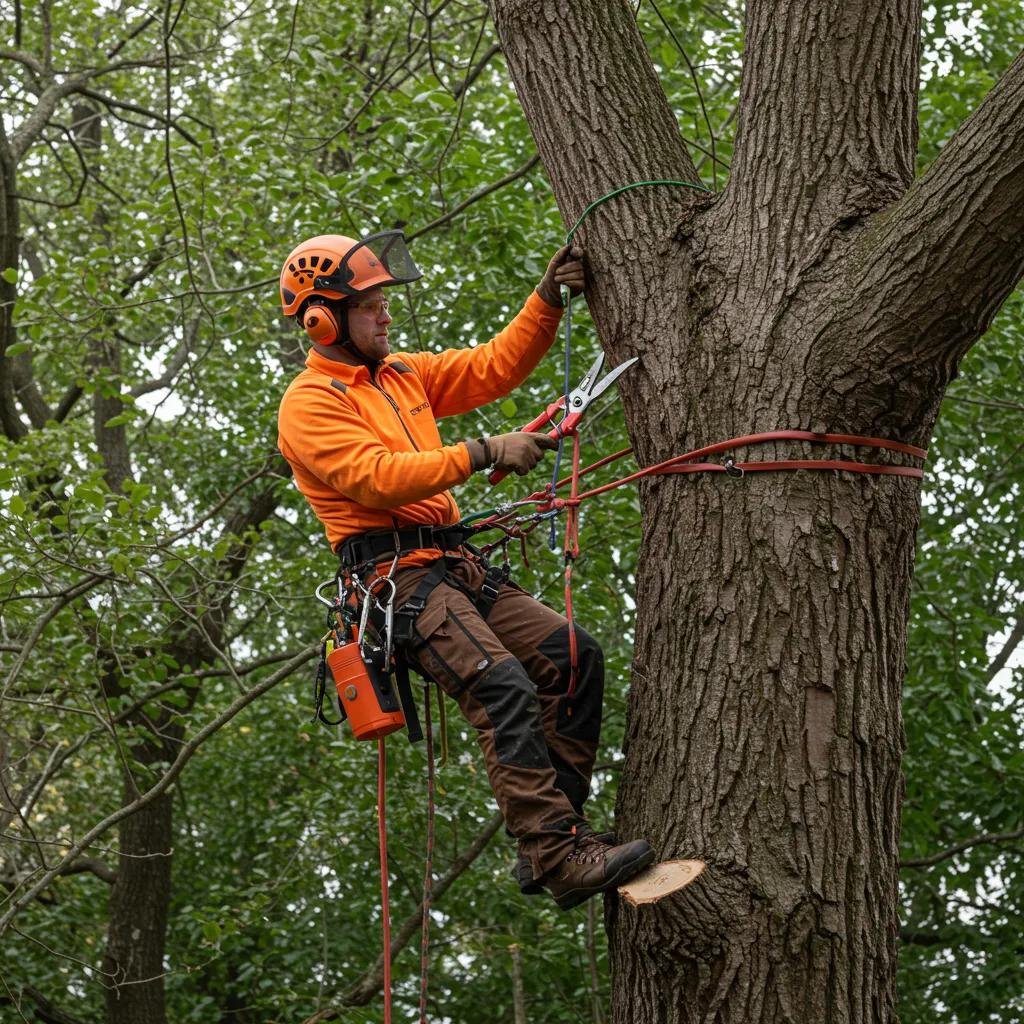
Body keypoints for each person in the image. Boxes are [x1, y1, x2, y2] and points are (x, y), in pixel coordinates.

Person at [276, 231, 654, 910]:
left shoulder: (402, 376)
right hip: (398, 583)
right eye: (370, 306)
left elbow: (492, 368)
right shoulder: (309, 403)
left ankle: (554, 842)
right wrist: (482, 451)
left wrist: (547, 299)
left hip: (451, 563)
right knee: (502, 684)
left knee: (572, 657)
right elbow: (374, 478)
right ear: (321, 319)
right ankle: (556, 853)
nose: (386, 316)